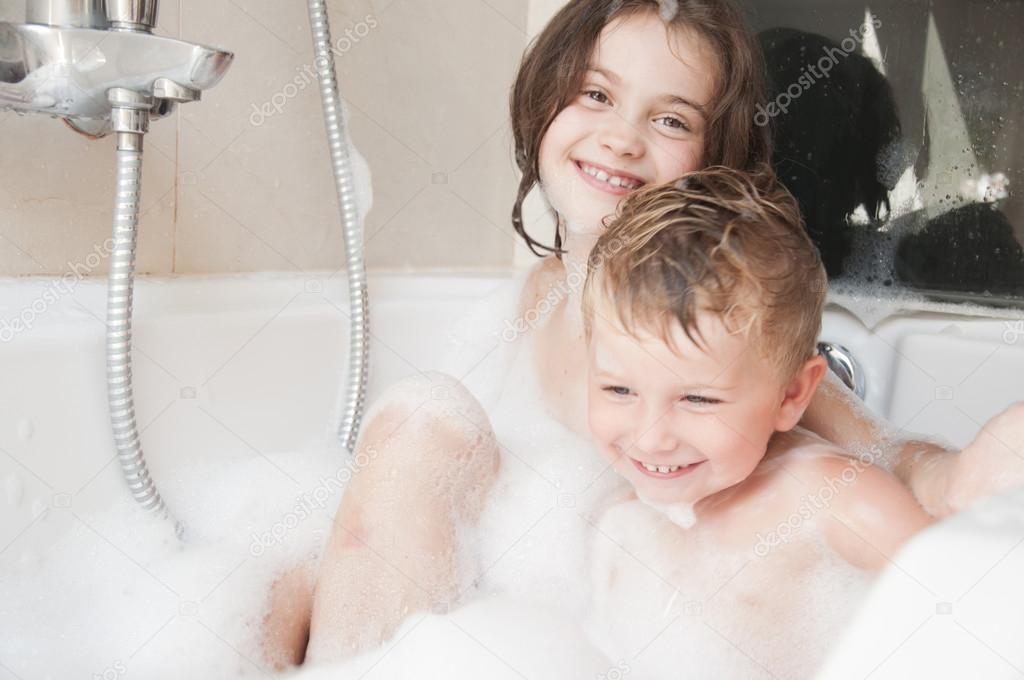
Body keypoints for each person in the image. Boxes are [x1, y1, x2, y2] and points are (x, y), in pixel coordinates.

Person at [261, 0, 1024, 668]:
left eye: (669, 119)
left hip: (612, 627)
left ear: (713, 163)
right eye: (596, 94)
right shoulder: (531, 301)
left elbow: (881, 453)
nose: (622, 139)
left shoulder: (710, 335)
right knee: (416, 424)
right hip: (520, 612)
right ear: (542, 107)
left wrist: (953, 481)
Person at [580, 165, 932, 678]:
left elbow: (963, 604)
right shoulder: (620, 515)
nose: (651, 437)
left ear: (792, 394)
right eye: (618, 390)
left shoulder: (834, 498)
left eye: (698, 399)